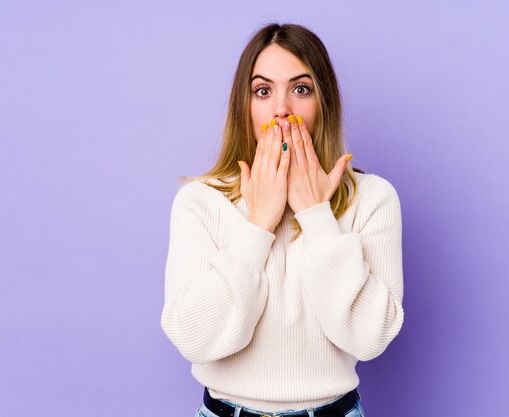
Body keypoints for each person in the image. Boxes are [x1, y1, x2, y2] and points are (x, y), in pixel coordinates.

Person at [160, 22, 404, 417]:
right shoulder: (200, 202)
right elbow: (195, 339)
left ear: (323, 102)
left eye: (301, 89)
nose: (281, 110)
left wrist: (316, 216)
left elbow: (369, 339)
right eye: (263, 90)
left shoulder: (373, 198)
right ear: (245, 104)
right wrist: (258, 225)